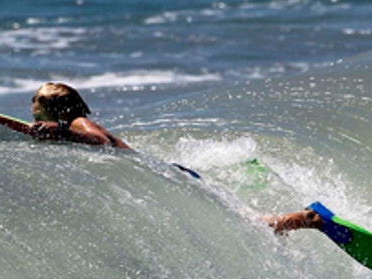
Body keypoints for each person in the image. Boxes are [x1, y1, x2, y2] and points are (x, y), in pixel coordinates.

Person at [30, 82, 317, 236]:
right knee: (246, 224)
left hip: (166, 176)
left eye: (37, 111)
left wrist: (59, 129)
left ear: (52, 109)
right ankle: (296, 221)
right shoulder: (75, 127)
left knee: (243, 224)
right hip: (169, 174)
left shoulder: (77, 123)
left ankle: (309, 218)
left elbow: (103, 143)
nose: (35, 118)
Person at [29, 82, 131, 149]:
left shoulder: (79, 121)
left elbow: (102, 141)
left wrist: (60, 130)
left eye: (38, 118)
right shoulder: (76, 128)